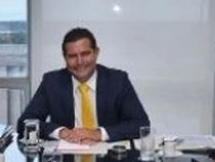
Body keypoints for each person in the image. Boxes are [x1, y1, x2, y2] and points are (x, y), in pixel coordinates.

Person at [17, 27, 149, 143]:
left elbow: (140, 124)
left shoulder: (117, 80)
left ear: (96, 53)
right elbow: (24, 123)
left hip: (108, 156)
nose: (80, 62)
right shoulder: (52, 82)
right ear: (65, 58)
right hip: (67, 156)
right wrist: (61, 132)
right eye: (72, 56)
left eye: (85, 54)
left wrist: (98, 134)